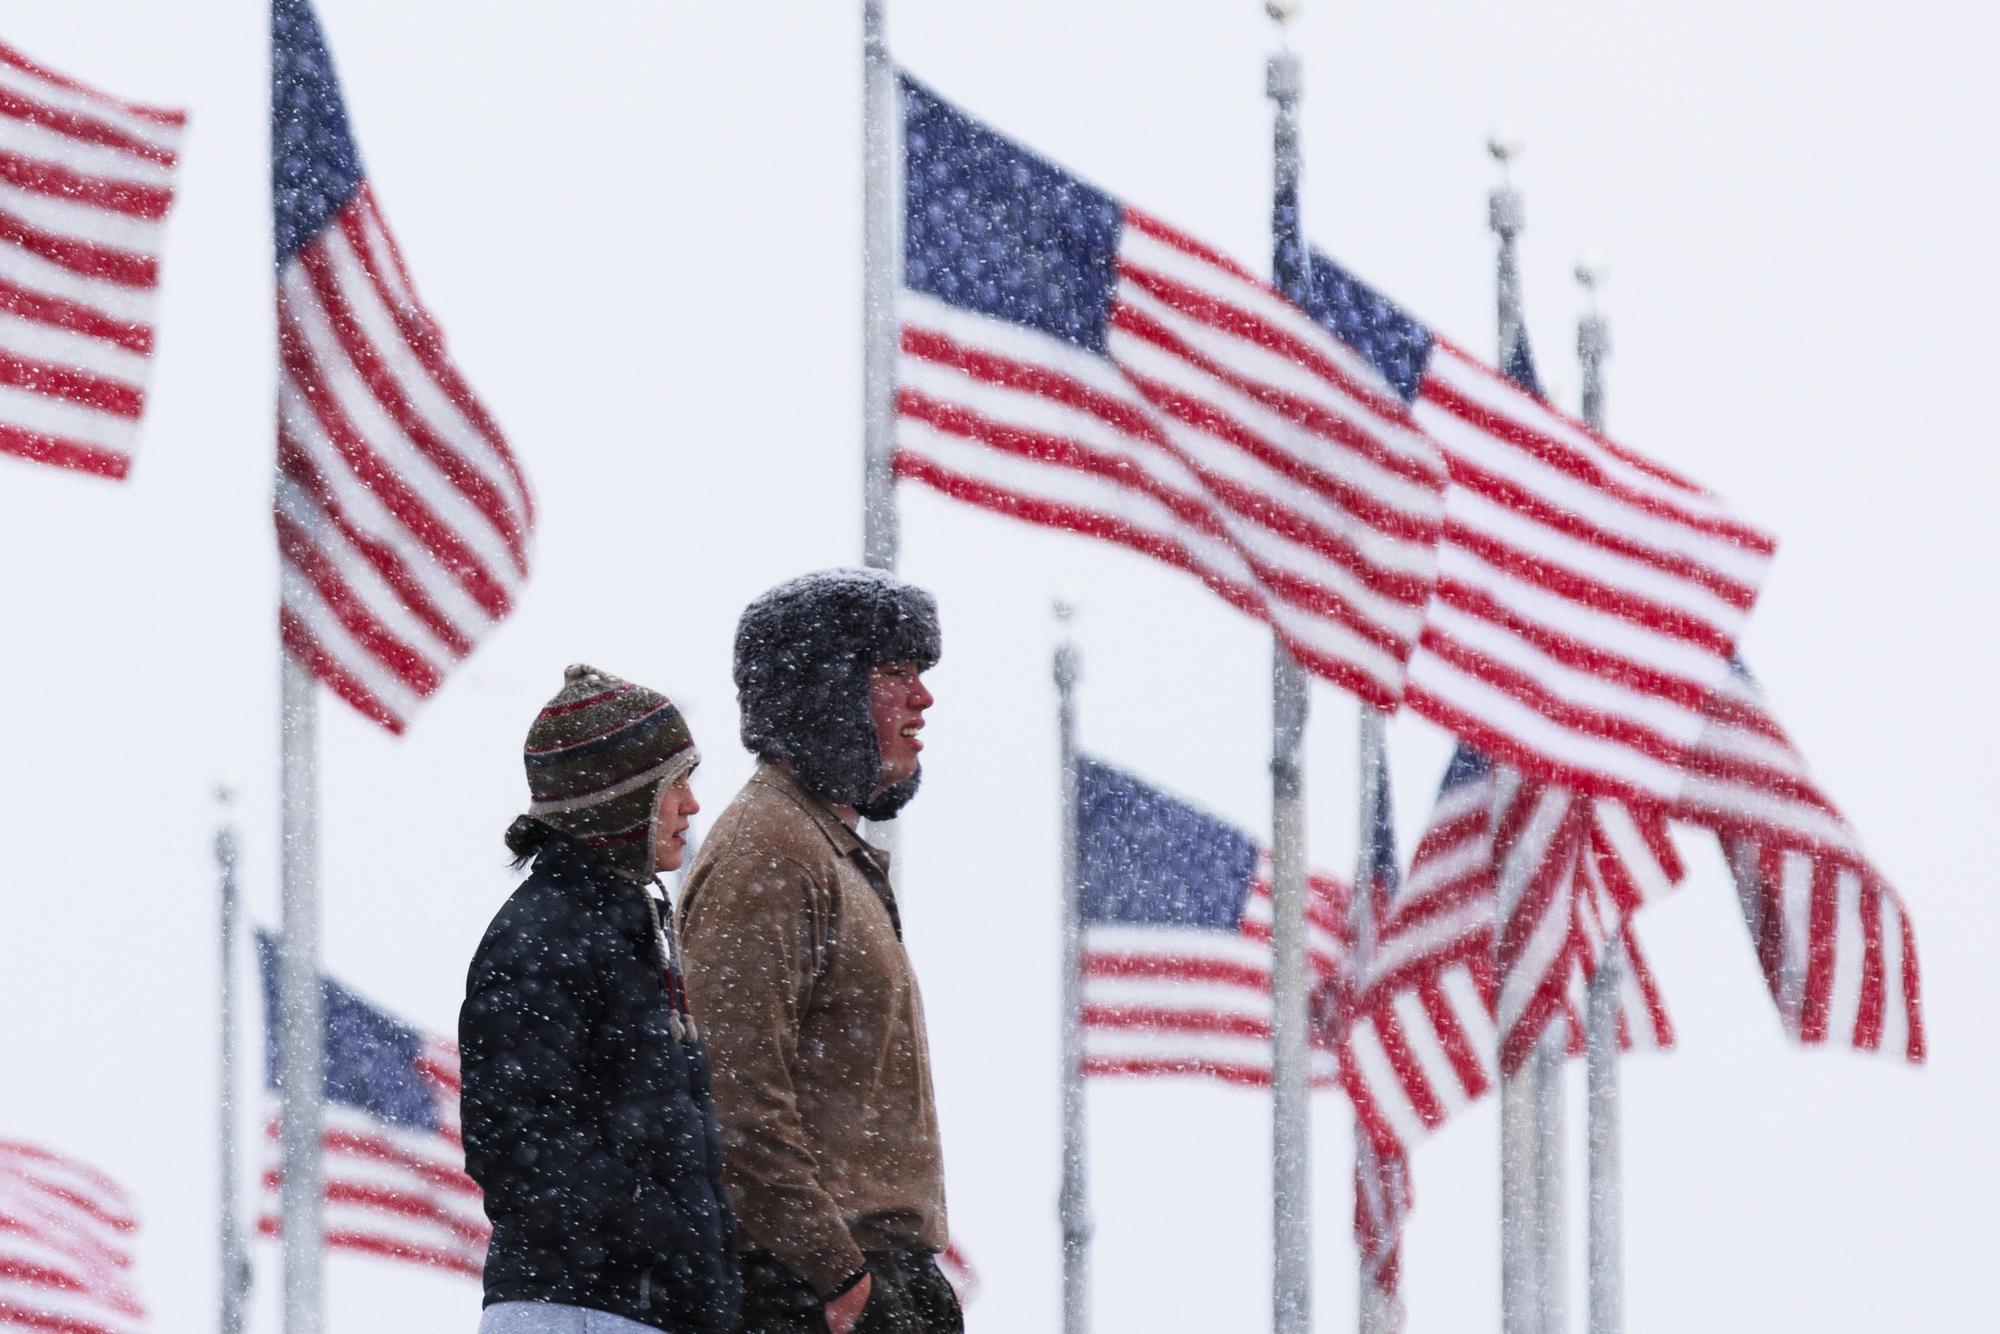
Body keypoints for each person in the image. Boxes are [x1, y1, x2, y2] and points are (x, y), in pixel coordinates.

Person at [678, 569, 960, 1334]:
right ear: (825, 691)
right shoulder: (768, 854)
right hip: (806, 1293)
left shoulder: (819, 847)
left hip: (867, 1279)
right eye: (893, 673)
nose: (922, 698)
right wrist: (837, 1276)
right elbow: (734, 1095)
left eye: (920, 672)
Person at [461, 664, 741, 1333]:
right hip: (581, 1310)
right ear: (619, 800)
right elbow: (514, 1145)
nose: (692, 806)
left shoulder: (620, 927)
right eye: (674, 785)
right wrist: (667, 1230)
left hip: (626, 1308)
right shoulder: (544, 935)